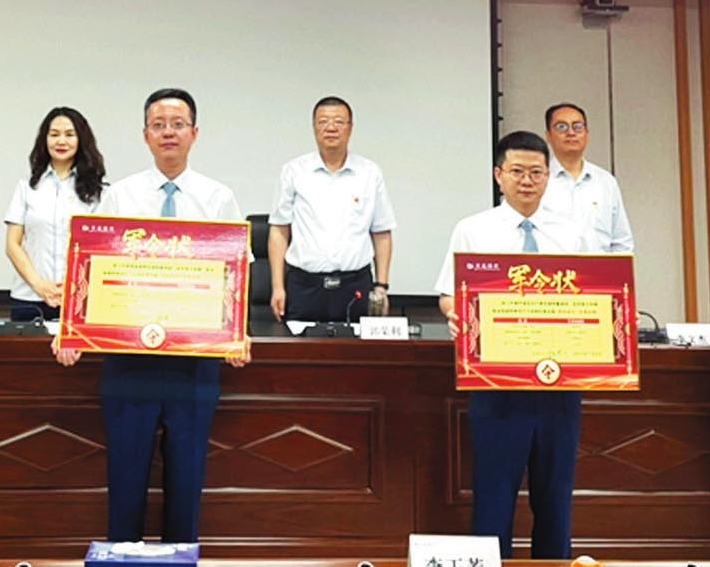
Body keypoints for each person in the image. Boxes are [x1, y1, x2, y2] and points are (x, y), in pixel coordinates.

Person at [54, 88, 250, 544]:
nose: (168, 133)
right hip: (129, 361)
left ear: (194, 134)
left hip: (195, 362)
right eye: (159, 125)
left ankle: (182, 554)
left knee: (188, 472)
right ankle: (123, 554)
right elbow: (92, 266)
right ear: (145, 135)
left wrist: (239, 333)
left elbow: (237, 276)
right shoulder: (119, 196)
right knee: (125, 471)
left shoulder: (218, 198)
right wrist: (71, 329)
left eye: (178, 124)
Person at [434, 130, 599, 560]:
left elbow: (597, 292)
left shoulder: (572, 232)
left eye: (537, 173)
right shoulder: (473, 229)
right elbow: (449, 294)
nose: (527, 181)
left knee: (555, 499)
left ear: (548, 177)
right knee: (493, 497)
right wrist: (455, 314)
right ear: (499, 175)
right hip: (497, 384)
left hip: (559, 384)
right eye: (518, 171)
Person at [267, 95, 396, 322]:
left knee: (357, 345)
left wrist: (382, 286)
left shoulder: (369, 173)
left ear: (350, 128)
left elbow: (382, 232)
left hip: (355, 286)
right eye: (323, 121)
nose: (331, 128)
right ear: (314, 127)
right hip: (304, 287)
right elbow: (279, 230)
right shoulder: (294, 171)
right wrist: (278, 287)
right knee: (298, 344)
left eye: (339, 122)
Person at [4, 106, 107, 321]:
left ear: (81, 140)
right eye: (54, 134)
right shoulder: (27, 188)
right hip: (30, 297)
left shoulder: (100, 192)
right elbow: (13, 244)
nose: (61, 141)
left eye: (69, 134)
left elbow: (103, 248)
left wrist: (73, 287)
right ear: (44, 140)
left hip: (81, 298)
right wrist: (39, 285)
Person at [539, 102, 634, 254]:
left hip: (599, 269)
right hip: (552, 269)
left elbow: (622, 242)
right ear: (548, 136)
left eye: (578, 127)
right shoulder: (537, 180)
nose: (571, 132)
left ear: (587, 134)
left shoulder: (606, 182)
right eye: (561, 127)